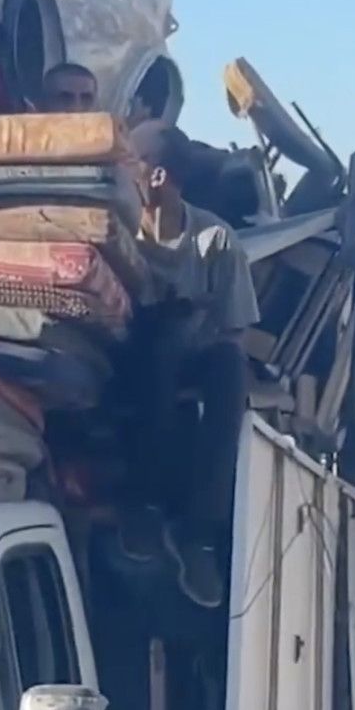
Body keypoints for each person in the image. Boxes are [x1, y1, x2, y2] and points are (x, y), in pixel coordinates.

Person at [123, 119, 260, 609]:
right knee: (158, 342)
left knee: (229, 368)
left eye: (130, 163)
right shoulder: (118, 231)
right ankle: (143, 506)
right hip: (126, 360)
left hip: (188, 360)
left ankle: (198, 536)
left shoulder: (215, 241)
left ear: (157, 176)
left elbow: (235, 330)